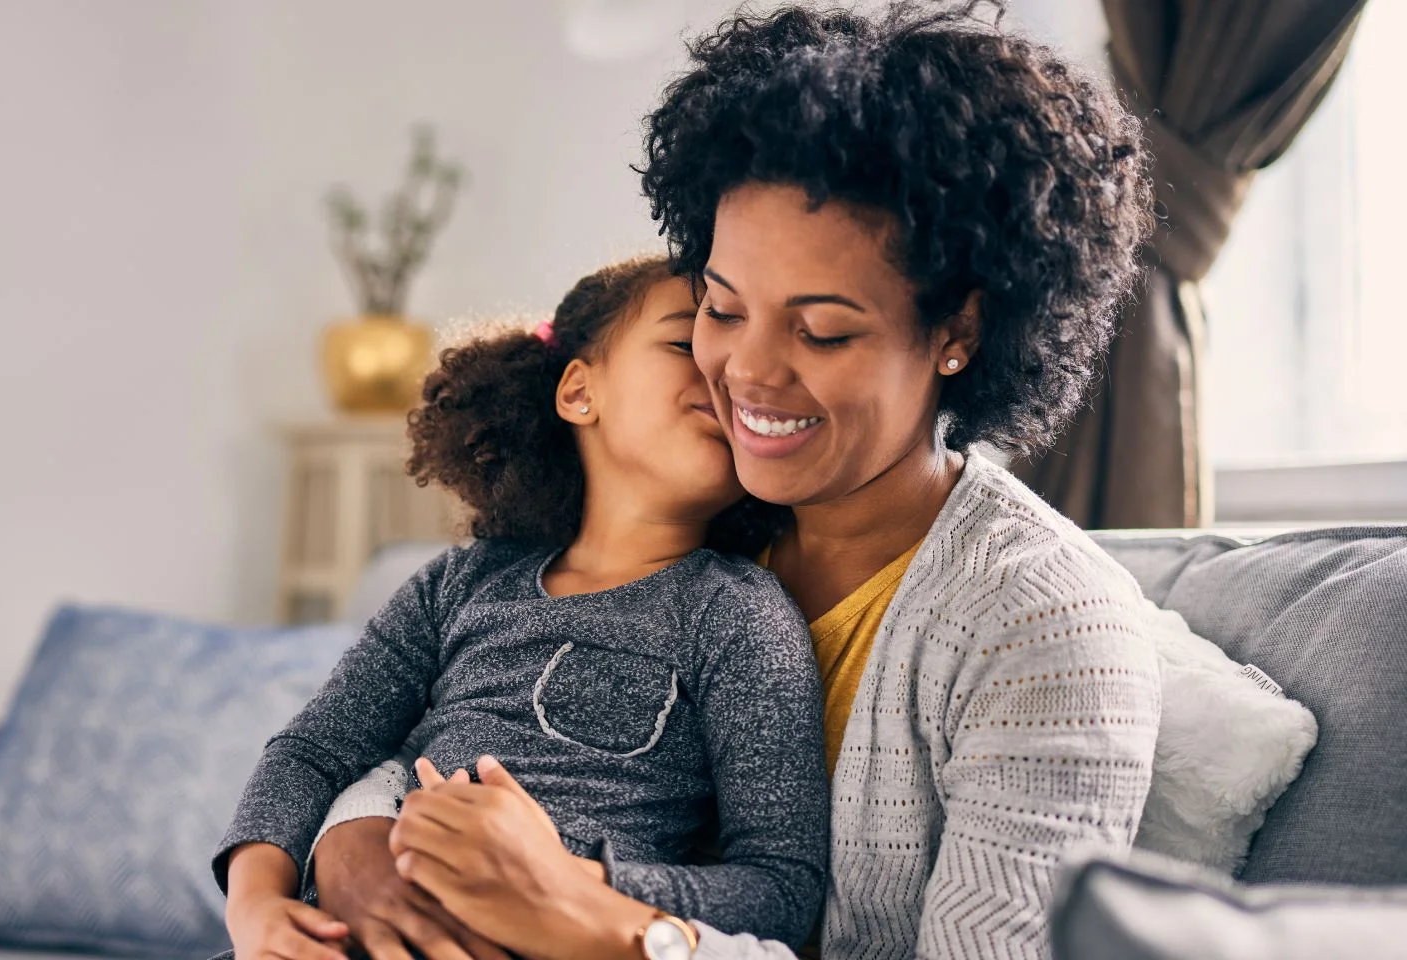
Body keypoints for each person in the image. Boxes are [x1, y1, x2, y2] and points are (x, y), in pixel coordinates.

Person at [304, 4, 1164, 959]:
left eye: (823, 330)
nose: (743, 374)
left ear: (959, 331)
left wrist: (607, 924)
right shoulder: (688, 516)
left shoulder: (1045, 626)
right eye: (720, 307)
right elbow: (441, 715)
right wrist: (356, 843)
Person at [215, 257, 831, 960]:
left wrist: (572, 882)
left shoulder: (740, 617)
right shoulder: (458, 584)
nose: (727, 375)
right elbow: (313, 752)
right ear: (578, 391)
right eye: (686, 344)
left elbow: (781, 888)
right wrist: (257, 906)